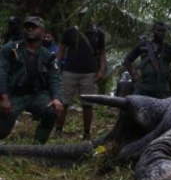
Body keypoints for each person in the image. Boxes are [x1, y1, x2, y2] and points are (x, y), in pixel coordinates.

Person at [0, 16, 63, 144]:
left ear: (42, 31)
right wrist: (3, 97)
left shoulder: (47, 56)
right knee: (2, 129)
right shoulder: (10, 49)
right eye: (27, 26)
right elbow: (1, 72)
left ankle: (38, 147)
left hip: (36, 95)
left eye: (34, 27)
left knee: (51, 111)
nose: (30, 29)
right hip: (14, 95)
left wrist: (56, 98)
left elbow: (55, 77)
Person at [54, 21, 106, 141]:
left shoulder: (98, 34)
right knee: (64, 103)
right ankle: (58, 131)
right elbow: (61, 50)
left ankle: (87, 133)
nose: (85, 18)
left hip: (89, 73)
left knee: (88, 104)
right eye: (82, 16)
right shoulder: (70, 32)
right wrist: (56, 68)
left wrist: (101, 71)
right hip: (69, 72)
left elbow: (102, 53)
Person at [123, 22, 171, 98]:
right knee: (133, 105)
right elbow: (127, 60)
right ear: (153, 31)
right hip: (143, 86)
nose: (161, 33)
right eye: (158, 30)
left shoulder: (170, 48)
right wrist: (133, 74)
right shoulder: (143, 45)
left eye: (163, 31)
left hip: (161, 88)